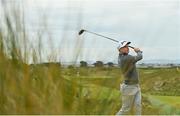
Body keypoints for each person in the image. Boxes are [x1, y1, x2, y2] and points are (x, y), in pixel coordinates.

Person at [116, 40, 143, 115]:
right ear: (120, 49)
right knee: (125, 109)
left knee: (138, 106)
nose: (127, 48)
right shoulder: (126, 58)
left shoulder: (122, 56)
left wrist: (139, 52)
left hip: (136, 85)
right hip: (129, 87)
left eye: (127, 46)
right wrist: (138, 51)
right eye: (124, 47)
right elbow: (140, 57)